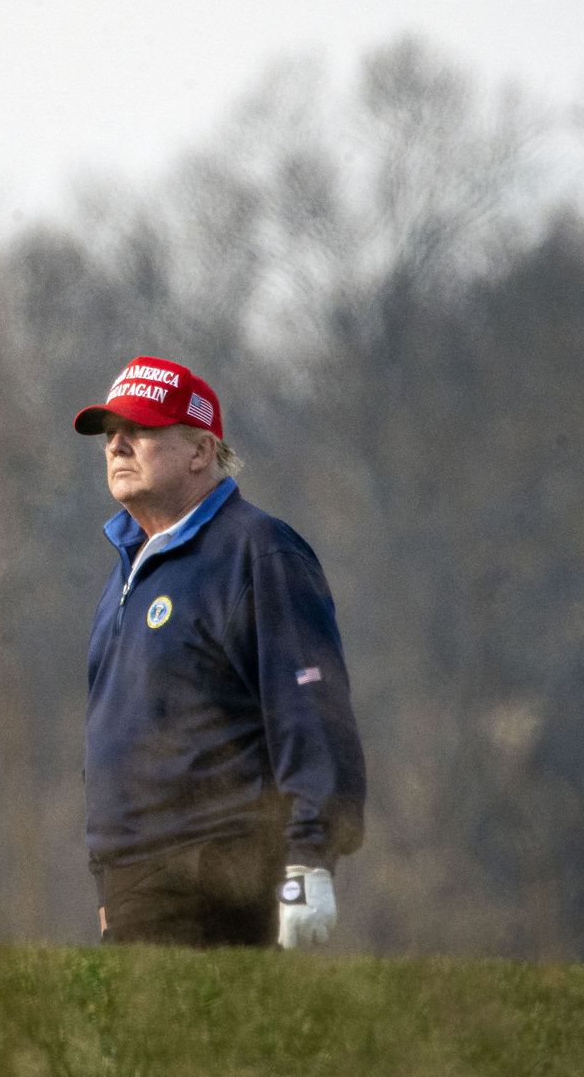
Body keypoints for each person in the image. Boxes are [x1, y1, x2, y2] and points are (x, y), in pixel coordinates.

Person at [74, 355, 365, 949]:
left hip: (220, 871)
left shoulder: (257, 550)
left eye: (141, 428)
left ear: (201, 450)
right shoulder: (127, 570)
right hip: (135, 886)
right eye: (110, 433)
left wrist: (310, 857)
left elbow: (311, 707)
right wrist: (107, 883)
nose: (118, 445)